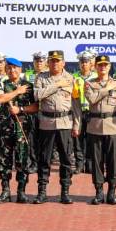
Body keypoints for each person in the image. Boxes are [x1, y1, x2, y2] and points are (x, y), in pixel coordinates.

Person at [33, 50, 80, 204]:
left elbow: (76, 104)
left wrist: (76, 125)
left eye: (58, 61)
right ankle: (42, 191)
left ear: (63, 63)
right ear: (48, 63)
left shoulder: (71, 79)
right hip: (46, 123)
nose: (55, 63)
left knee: (66, 159)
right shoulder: (41, 77)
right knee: (44, 158)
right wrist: (57, 85)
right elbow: (37, 95)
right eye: (52, 61)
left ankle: (65, 192)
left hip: (65, 122)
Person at [83, 55, 116, 205]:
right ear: (95, 67)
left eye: (105, 65)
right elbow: (92, 99)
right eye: (100, 65)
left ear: (109, 66)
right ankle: (99, 192)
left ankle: (111, 192)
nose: (103, 67)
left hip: (113, 126)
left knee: (113, 161)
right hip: (95, 127)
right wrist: (107, 89)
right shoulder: (89, 84)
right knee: (97, 162)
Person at [0, 57, 38, 203]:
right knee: (4, 160)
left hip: (22, 129)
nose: (12, 70)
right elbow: (0, 99)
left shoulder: (28, 86)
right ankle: (5, 191)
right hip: (6, 129)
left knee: (22, 160)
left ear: (20, 69)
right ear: (6, 70)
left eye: (15, 68)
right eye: (9, 68)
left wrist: (21, 109)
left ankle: (21, 191)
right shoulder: (2, 84)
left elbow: (36, 107)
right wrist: (17, 91)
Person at [72, 50, 97, 174]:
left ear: (90, 63)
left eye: (86, 62)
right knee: (78, 139)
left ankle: (90, 164)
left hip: (92, 112)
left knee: (92, 139)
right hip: (78, 112)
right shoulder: (73, 77)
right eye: (81, 62)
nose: (84, 64)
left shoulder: (96, 76)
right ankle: (79, 164)